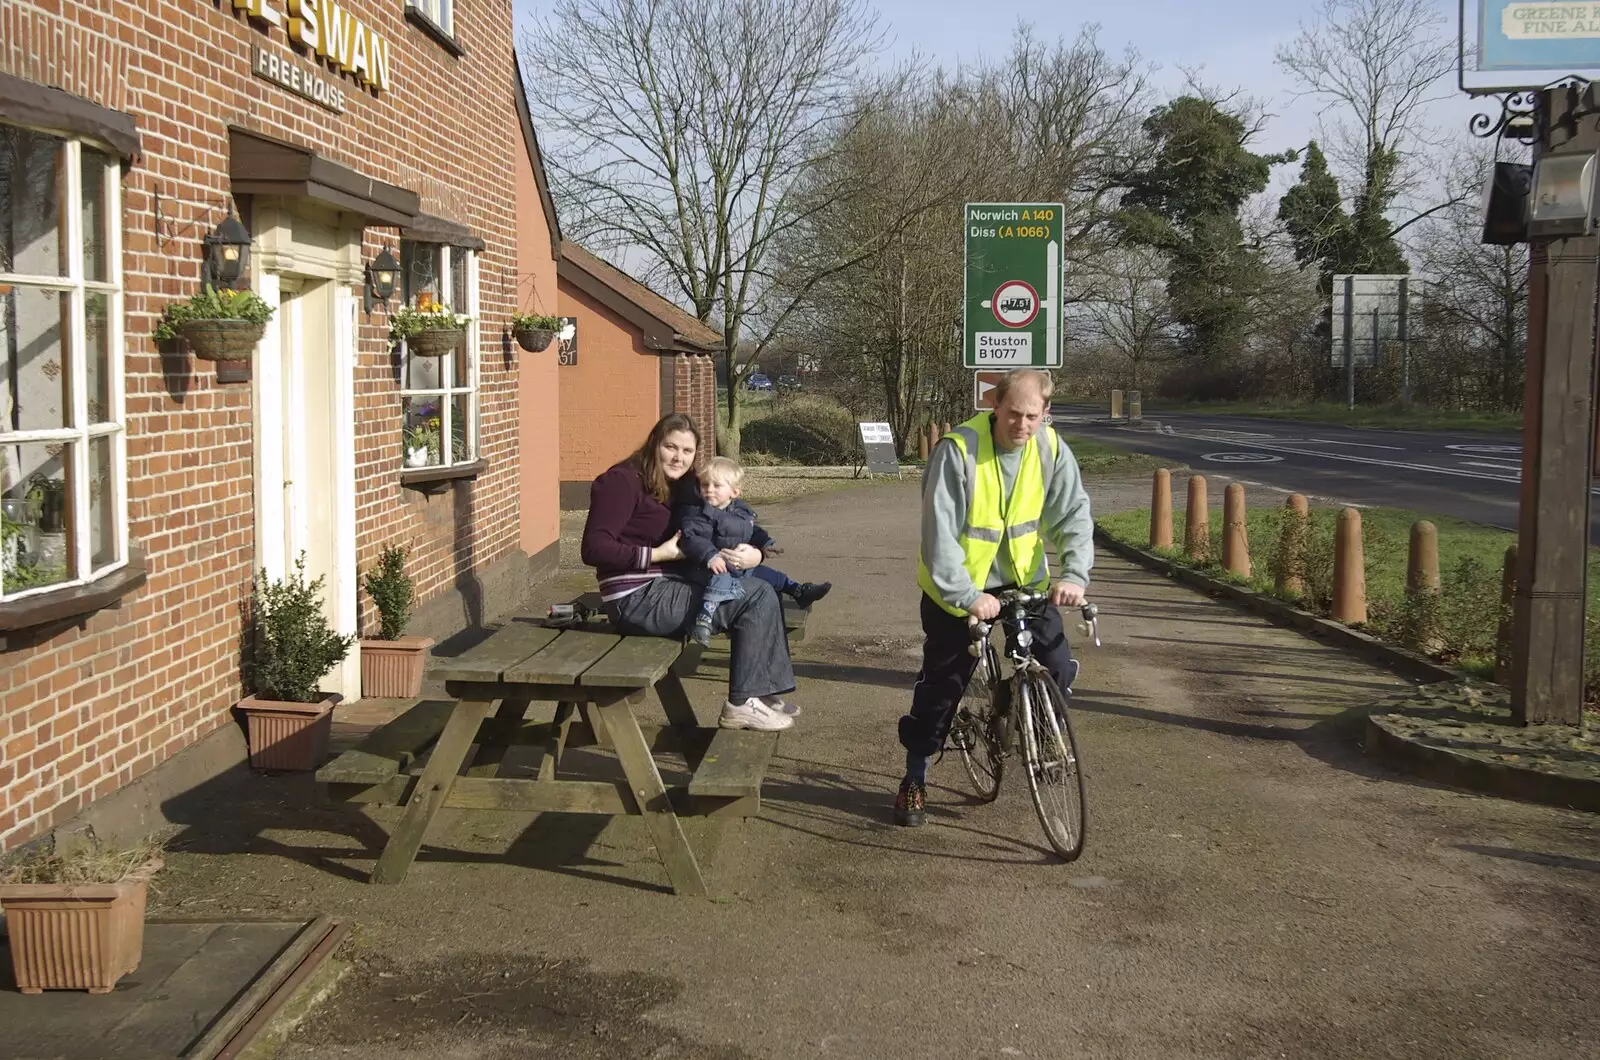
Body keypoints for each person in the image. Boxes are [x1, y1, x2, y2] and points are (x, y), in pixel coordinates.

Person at [895, 368, 1093, 826]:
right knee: (943, 687)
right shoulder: (958, 451)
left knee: (1058, 665)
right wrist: (966, 594)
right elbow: (939, 535)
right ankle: (914, 777)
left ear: (1047, 413)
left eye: (1032, 416)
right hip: (959, 587)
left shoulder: (1050, 448)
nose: (1021, 425)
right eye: (1013, 414)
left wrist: (1075, 575)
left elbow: (1073, 516)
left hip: (1025, 582)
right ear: (994, 405)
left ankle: (1029, 713)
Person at [580, 413, 799, 732]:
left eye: (687, 451)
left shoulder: (685, 488)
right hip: (636, 597)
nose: (678, 457)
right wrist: (658, 553)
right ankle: (741, 704)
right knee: (755, 596)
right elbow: (593, 548)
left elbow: (722, 524)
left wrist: (754, 553)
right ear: (655, 444)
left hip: (671, 584)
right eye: (671, 447)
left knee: (758, 585)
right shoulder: (621, 482)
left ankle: (760, 691)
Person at [677, 456, 832, 647]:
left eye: (717, 485)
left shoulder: (740, 511)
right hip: (710, 566)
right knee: (719, 582)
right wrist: (710, 556)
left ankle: (799, 591)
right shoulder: (699, 514)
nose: (709, 490)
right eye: (705, 484)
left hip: (740, 567)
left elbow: (751, 530)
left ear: (734, 491)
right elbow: (692, 538)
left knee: (771, 576)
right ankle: (703, 619)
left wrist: (765, 543)